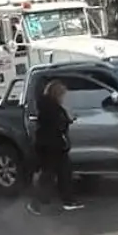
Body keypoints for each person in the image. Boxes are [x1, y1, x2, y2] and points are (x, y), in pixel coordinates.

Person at [30, 79, 83, 213]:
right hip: (51, 146)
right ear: (57, 94)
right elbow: (56, 124)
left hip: (50, 145)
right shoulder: (52, 108)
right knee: (50, 175)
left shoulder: (46, 106)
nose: (64, 97)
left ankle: (66, 200)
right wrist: (67, 121)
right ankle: (37, 203)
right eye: (62, 94)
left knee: (61, 173)